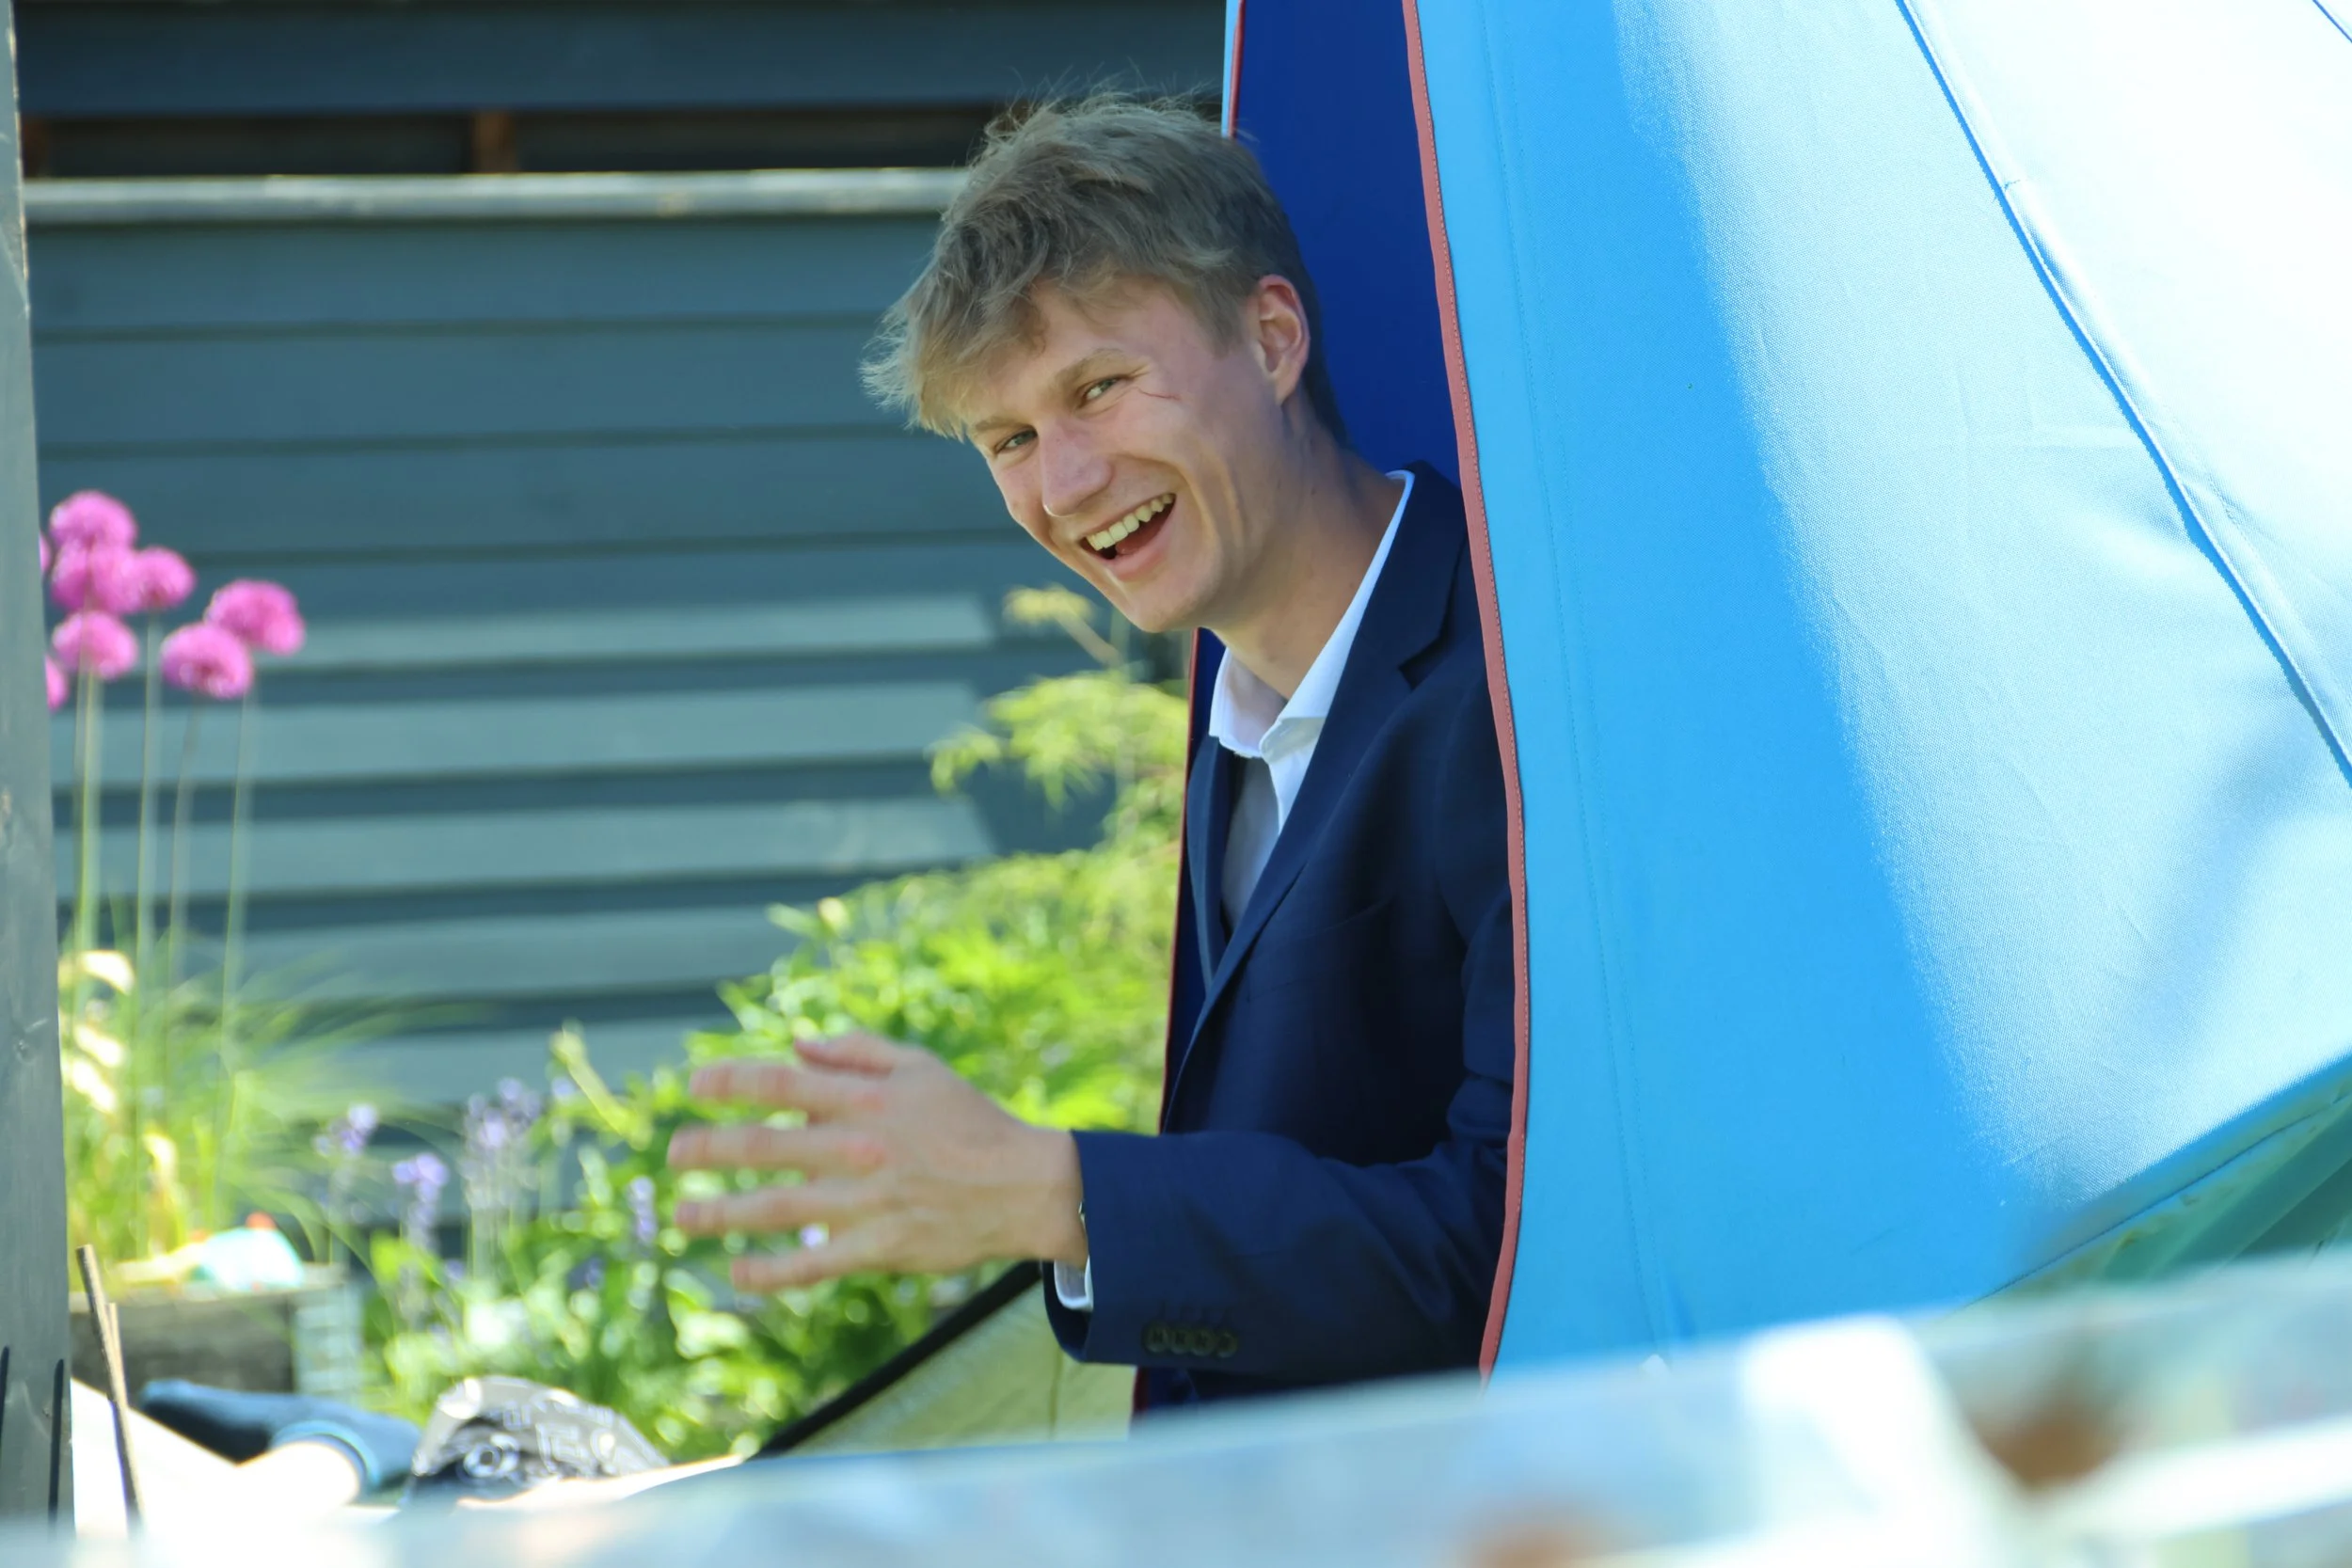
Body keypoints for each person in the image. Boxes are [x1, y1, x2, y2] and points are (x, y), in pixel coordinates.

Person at [667, 96, 1515, 1408]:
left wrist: (1056, 1190)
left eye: (1098, 388)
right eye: (1007, 440)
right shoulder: (1233, 702)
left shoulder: (1507, 698)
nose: (1062, 485)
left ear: (1275, 339)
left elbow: (1510, 1245)